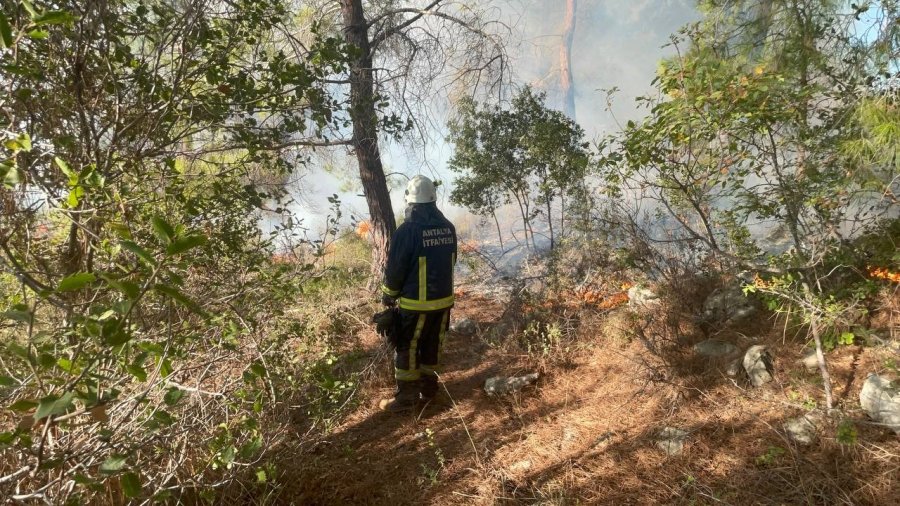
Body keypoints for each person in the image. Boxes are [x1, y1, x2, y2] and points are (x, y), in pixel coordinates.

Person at [379, 175, 457, 412]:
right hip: (444, 303)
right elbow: (451, 261)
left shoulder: (408, 231)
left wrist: (388, 295)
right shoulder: (448, 228)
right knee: (432, 347)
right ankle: (430, 392)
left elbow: (396, 269)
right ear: (433, 200)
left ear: (410, 202)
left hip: (416, 306)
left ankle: (407, 399)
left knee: (408, 348)